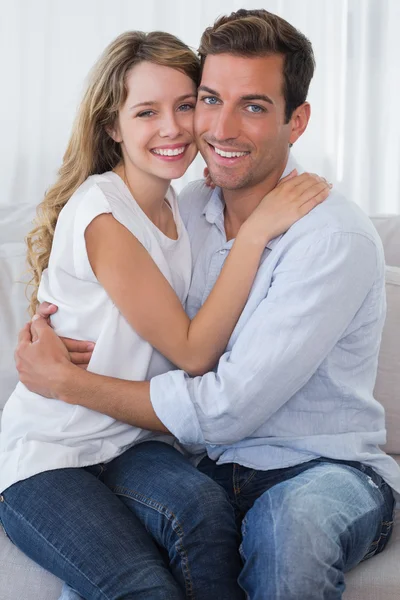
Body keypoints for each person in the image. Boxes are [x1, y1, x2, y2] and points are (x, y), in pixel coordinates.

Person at [12, 7, 400, 600]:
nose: (217, 128)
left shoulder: (331, 238)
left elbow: (222, 404)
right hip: (192, 461)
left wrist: (66, 382)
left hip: (316, 466)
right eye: (211, 99)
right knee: (124, 574)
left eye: (253, 106)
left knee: (291, 529)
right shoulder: (184, 205)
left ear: (296, 121)